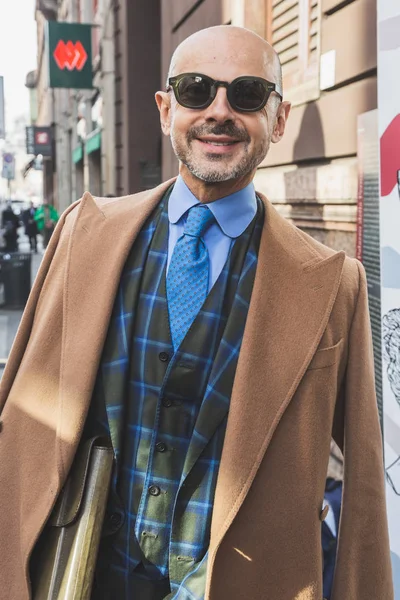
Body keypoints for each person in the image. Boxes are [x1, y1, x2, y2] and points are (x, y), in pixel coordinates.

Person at [0, 26, 393, 600]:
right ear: (165, 110)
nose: (220, 112)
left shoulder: (335, 284)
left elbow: (361, 486)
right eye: (195, 90)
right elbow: (20, 414)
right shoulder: (84, 234)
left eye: (248, 94)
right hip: (83, 574)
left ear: (278, 121)